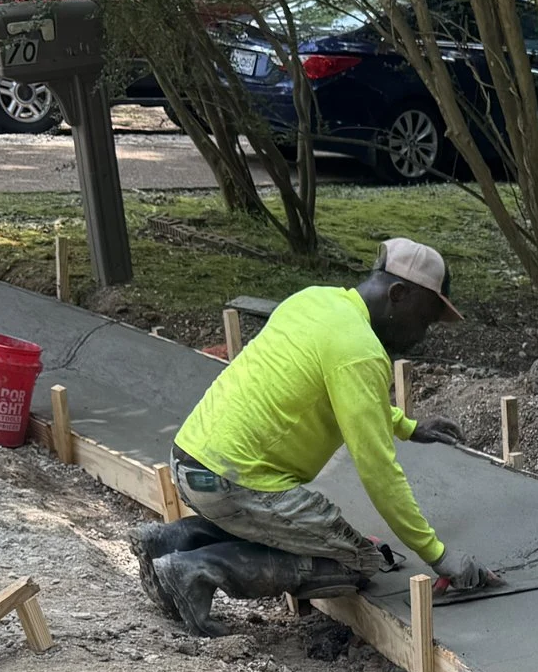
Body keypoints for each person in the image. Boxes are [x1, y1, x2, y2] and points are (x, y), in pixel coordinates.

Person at [132, 239, 488, 632]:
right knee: (357, 562)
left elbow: (346, 396)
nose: (422, 334)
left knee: (276, 527)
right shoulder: (360, 350)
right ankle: (195, 571)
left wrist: (408, 426)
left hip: (191, 461)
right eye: (425, 318)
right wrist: (437, 555)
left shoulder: (315, 300)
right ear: (399, 294)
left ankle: (168, 542)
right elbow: (379, 472)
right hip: (235, 483)